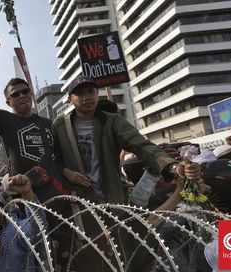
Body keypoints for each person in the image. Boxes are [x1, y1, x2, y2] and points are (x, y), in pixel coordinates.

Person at [53, 74, 179, 204]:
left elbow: (140, 144)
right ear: (70, 99)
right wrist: (66, 171)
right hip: (77, 199)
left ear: (97, 94)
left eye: (91, 92)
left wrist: (171, 166)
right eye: (80, 94)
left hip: (111, 196)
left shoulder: (112, 121)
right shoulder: (60, 125)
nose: (86, 97)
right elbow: (53, 158)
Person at [0, 43, 64, 202]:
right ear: (8, 102)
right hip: (23, 198)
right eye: (15, 94)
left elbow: (61, 157)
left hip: (56, 194)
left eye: (25, 91)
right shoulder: (8, 121)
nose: (21, 96)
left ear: (31, 94)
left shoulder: (48, 123)